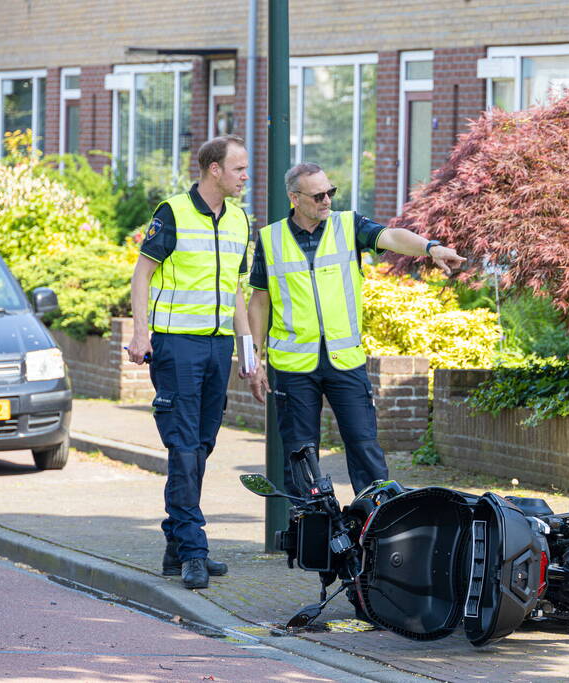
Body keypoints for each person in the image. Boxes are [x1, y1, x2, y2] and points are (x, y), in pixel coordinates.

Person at [247, 162, 465, 495]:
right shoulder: (270, 238)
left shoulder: (348, 226)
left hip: (345, 361)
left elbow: (391, 236)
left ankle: (376, 530)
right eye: (318, 195)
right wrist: (254, 359)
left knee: (365, 449)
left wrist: (430, 247)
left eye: (330, 192)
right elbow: (259, 302)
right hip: (292, 366)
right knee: (300, 456)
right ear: (294, 198)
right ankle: (309, 538)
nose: (326, 200)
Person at [127, 135, 253, 590]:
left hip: (218, 348)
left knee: (201, 447)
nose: (245, 176)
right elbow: (142, 274)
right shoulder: (173, 212)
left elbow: (236, 290)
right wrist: (141, 333)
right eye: (238, 168)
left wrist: (249, 353)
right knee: (183, 449)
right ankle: (194, 552)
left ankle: (174, 547)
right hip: (177, 346)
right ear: (214, 170)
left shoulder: (240, 221)